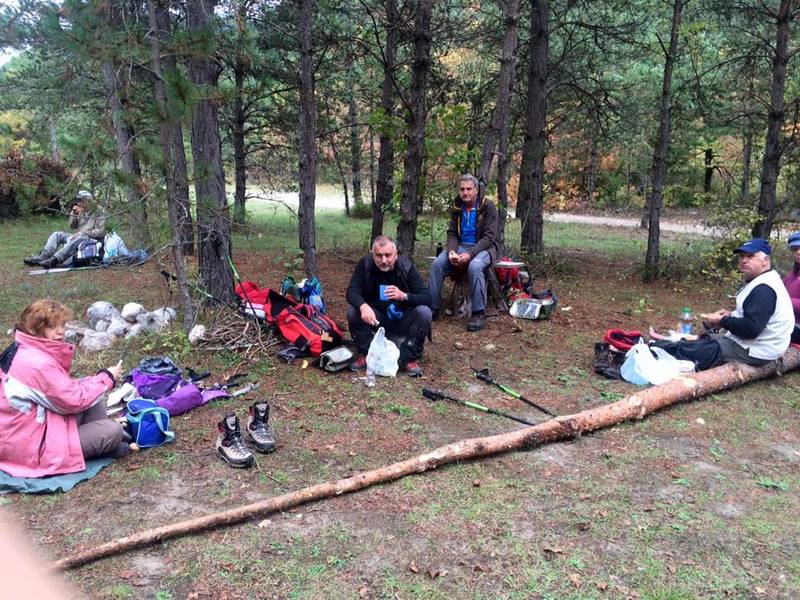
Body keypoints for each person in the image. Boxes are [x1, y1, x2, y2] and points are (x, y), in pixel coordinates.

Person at [0, 299, 127, 478]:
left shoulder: (22, 348)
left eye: (62, 325)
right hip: (31, 447)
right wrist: (107, 378)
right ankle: (104, 443)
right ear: (35, 328)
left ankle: (103, 443)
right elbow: (73, 400)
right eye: (52, 326)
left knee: (94, 396)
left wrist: (99, 381)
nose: (60, 331)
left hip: (28, 430)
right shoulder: (36, 363)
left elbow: (66, 392)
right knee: (114, 431)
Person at [698, 238, 793, 366]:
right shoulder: (763, 279)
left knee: (692, 350)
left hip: (758, 351)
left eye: (750, 256)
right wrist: (732, 316)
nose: (744, 260)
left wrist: (722, 321)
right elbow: (755, 317)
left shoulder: (764, 288)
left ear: (765, 260)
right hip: (761, 345)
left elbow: (751, 329)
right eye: (742, 256)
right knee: (702, 342)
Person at [346, 235, 432, 377]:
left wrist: (404, 296)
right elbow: (352, 291)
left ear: (395, 254)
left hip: (402, 320)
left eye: (388, 255)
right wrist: (363, 306)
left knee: (424, 312)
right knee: (353, 311)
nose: (384, 260)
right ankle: (366, 354)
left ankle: (408, 359)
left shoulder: (405, 266)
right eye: (379, 255)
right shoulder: (365, 265)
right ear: (372, 254)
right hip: (376, 320)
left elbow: (427, 297)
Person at [428, 173, 500, 332]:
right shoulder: (457, 207)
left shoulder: (487, 206)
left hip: (484, 248)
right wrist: (452, 252)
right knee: (437, 264)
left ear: (476, 190)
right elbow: (452, 233)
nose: (465, 192)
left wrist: (470, 254)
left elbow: (489, 237)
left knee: (475, 266)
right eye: (462, 189)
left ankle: (478, 313)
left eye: (468, 189)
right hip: (461, 246)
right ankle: (432, 308)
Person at [23, 190, 107, 269]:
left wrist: (83, 233)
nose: (79, 203)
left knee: (81, 237)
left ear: (89, 201)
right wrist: (74, 214)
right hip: (78, 237)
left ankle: (54, 260)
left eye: (81, 201)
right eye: (78, 201)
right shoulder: (81, 210)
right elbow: (72, 226)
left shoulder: (100, 212)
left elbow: (102, 232)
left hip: (92, 240)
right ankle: (44, 256)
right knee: (57, 234)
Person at [783, 232, 800, 344]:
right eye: (795, 249)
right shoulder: (791, 276)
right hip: (789, 322)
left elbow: (780, 298)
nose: (798, 252)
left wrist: (785, 301)